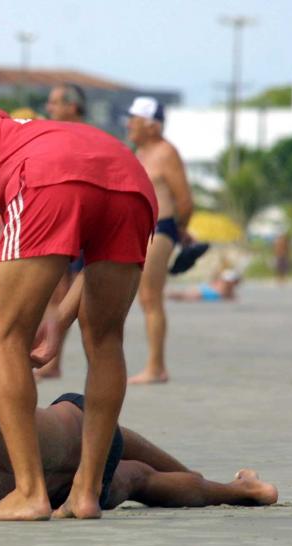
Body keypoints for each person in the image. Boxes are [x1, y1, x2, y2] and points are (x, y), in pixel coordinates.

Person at [0, 107, 157, 520]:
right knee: (106, 340)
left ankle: (30, 493)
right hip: (131, 180)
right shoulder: (42, 133)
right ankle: (86, 492)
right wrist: (60, 321)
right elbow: (92, 266)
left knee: (6, 339)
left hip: (47, 177)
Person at [0, 394, 278, 513]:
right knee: (121, 443)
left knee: (139, 478)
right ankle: (232, 484)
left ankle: (240, 492)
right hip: (79, 424)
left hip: (72, 490)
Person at [121, 97, 193, 386]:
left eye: (134, 119)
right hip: (141, 229)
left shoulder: (166, 153)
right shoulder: (139, 152)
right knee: (143, 297)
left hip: (162, 228)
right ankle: (154, 364)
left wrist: (181, 230)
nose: (129, 124)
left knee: (151, 296)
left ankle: (156, 367)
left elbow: (184, 200)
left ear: (152, 126)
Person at [34, 83, 89, 379]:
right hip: (58, 220)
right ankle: (50, 358)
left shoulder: (86, 138)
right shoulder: (53, 135)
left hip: (81, 222)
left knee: (72, 296)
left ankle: (52, 359)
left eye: (55, 102)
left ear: (73, 106)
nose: (49, 107)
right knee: (55, 293)